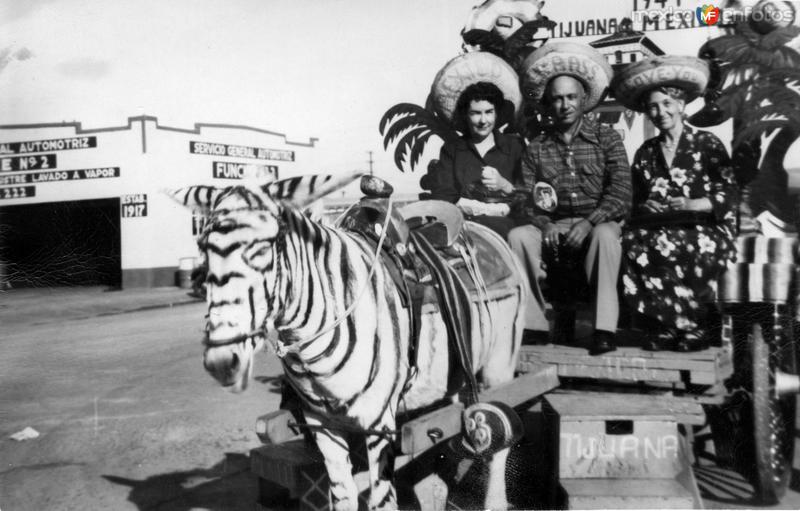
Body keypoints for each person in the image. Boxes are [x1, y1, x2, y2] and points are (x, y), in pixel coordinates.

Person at [508, 41, 631, 355]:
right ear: (549, 104)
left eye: (571, 97)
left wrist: (590, 223)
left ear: (583, 99)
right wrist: (545, 225)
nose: (565, 105)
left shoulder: (607, 138)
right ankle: (534, 325)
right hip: (556, 223)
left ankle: (604, 330)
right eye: (557, 99)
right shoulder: (537, 147)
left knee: (605, 237)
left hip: (599, 221)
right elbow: (523, 198)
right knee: (520, 236)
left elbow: (620, 194)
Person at [611, 55, 738, 352]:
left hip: (706, 227)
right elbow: (635, 200)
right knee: (634, 242)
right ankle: (668, 325)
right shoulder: (645, 152)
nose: (661, 111)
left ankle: (693, 327)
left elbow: (728, 193)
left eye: (667, 104)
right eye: (653, 106)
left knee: (675, 242)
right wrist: (645, 208)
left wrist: (693, 204)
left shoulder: (707, 143)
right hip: (660, 228)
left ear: (681, 105)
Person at [422, 81, 524, 239]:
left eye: (489, 112)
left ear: (497, 113)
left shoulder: (514, 146)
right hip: (465, 225)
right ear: (466, 115)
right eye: (476, 113)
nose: (483, 120)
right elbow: (443, 194)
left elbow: (528, 195)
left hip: (507, 228)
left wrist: (504, 185)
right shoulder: (452, 149)